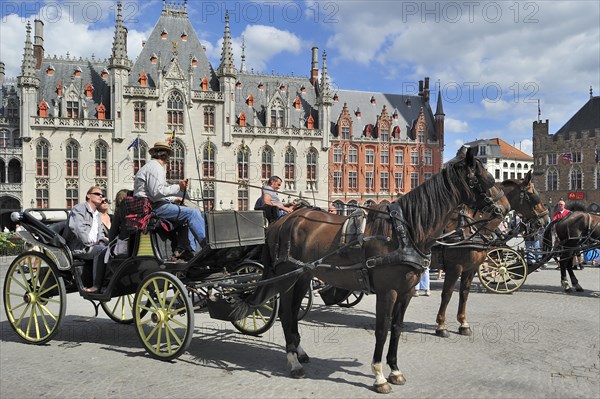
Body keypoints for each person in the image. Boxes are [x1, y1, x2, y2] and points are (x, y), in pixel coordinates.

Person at [133, 141, 205, 258]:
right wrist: (179, 187)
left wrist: (173, 198)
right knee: (193, 213)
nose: (169, 159)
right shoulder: (155, 167)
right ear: (164, 155)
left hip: (154, 205)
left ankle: (185, 249)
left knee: (188, 211)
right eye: (168, 156)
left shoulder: (151, 167)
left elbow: (157, 191)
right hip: (152, 208)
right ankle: (206, 245)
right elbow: (157, 192)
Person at [63, 186, 108, 293]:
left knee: (111, 250)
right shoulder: (79, 208)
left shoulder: (97, 214)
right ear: (88, 195)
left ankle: (108, 281)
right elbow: (78, 229)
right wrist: (91, 244)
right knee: (102, 251)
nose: (101, 196)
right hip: (79, 248)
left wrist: (103, 242)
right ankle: (96, 285)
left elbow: (100, 233)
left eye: (102, 195)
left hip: (94, 246)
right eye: (97, 194)